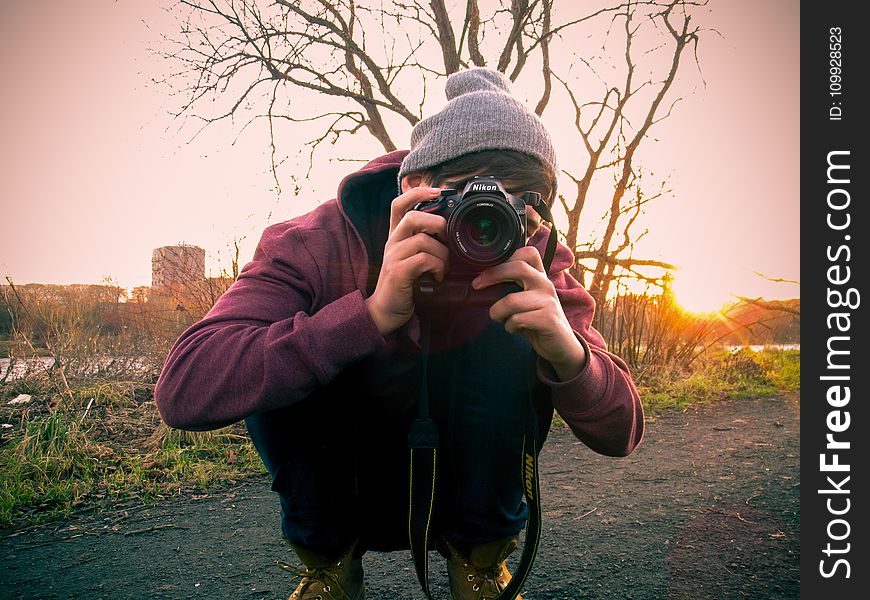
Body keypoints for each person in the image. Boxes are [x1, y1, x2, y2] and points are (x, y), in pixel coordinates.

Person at [155, 67, 644, 600]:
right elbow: (184, 390)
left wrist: (568, 355)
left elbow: (621, 433)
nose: (492, 218)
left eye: (520, 199)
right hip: (346, 469)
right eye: (468, 195)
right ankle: (329, 565)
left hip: (467, 475)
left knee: (517, 330)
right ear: (415, 186)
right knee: (279, 347)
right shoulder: (314, 242)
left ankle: (478, 562)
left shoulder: (535, 256)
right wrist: (369, 314)